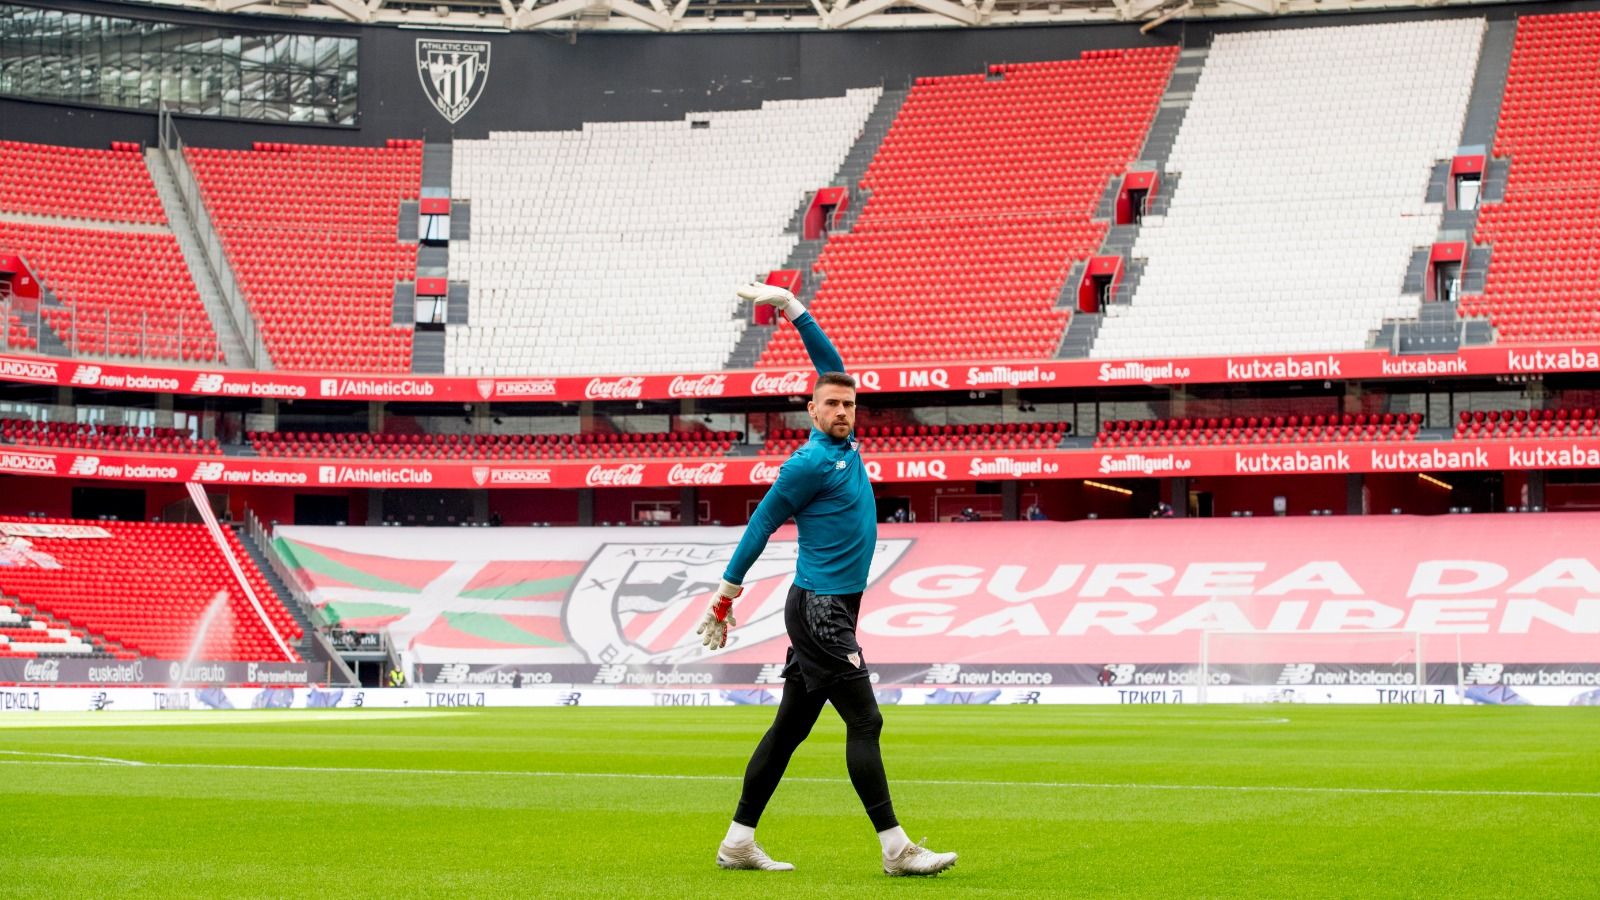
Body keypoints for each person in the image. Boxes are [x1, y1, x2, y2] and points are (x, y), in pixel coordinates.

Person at [698, 283, 958, 878]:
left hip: (831, 605)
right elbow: (761, 524)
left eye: (849, 405)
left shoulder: (848, 445)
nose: (841, 411)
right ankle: (897, 850)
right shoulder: (809, 461)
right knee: (866, 720)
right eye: (831, 405)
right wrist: (726, 593)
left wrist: (792, 308)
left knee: (789, 728)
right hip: (820, 612)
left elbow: (831, 368)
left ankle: (737, 842)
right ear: (811, 412)